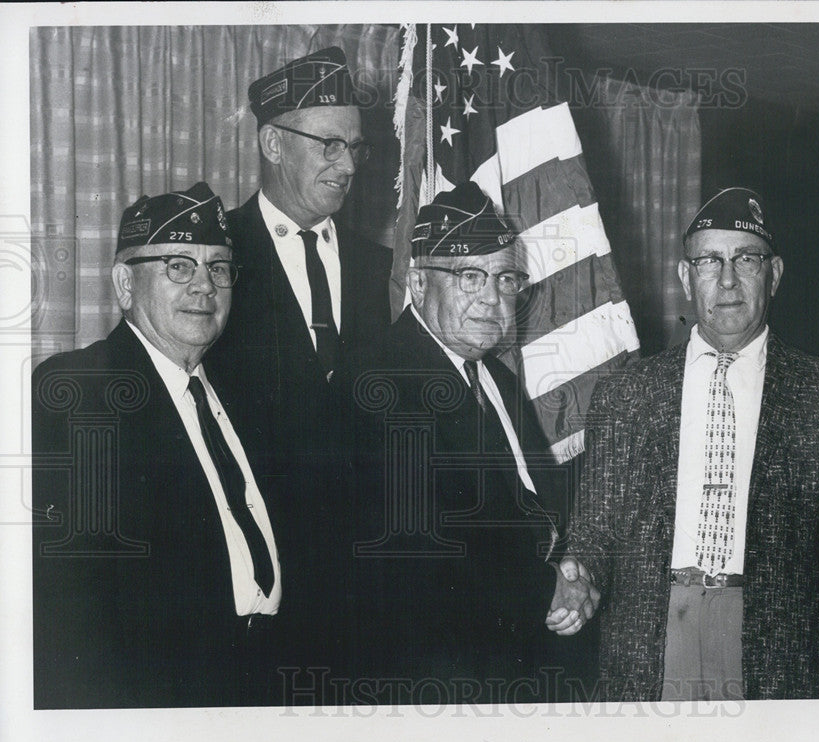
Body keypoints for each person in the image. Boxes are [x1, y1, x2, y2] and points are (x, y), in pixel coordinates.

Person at [549, 187, 819, 701]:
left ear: (774, 274)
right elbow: (596, 527)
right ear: (686, 277)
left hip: (777, 651)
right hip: (651, 638)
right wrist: (580, 572)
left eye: (746, 259)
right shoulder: (625, 394)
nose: (727, 279)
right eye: (709, 261)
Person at [32, 183, 287, 708]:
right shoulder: (82, 390)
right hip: (158, 702)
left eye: (218, 268)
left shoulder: (246, 398)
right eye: (178, 266)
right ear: (125, 284)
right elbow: (71, 603)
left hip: (260, 687)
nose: (204, 288)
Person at [349, 182, 584, 703]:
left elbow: (535, 508)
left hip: (517, 664)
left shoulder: (493, 379)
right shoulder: (378, 382)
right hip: (437, 683)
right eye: (469, 276)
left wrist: (573, 571)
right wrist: (548, 589)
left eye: (505, 279)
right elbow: (420, 556)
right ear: (416, 283)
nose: (493, 299)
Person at [207, 47, 393, 671]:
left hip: (369, 592)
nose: (348, 165)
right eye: (329, 145)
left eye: (356, 148)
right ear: (273, 143)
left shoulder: (380, 268)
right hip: (260, 595)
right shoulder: (215, 259)